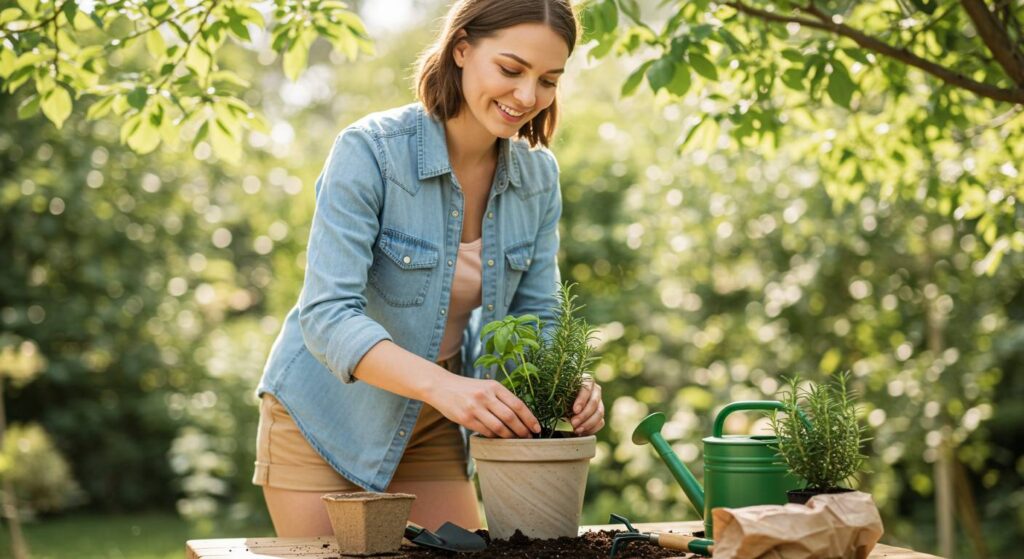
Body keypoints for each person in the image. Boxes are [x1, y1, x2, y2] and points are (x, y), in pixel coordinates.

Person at [252, 0, 605, 537]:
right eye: (511, 70)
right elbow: (326, 315)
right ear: (462, 49)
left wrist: (569, 379)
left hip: (438, 419)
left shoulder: (537, 177)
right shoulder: (370, 152)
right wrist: (446, 387)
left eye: (548, 80)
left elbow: (538, 314)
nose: (528, 97)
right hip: (324, 416)